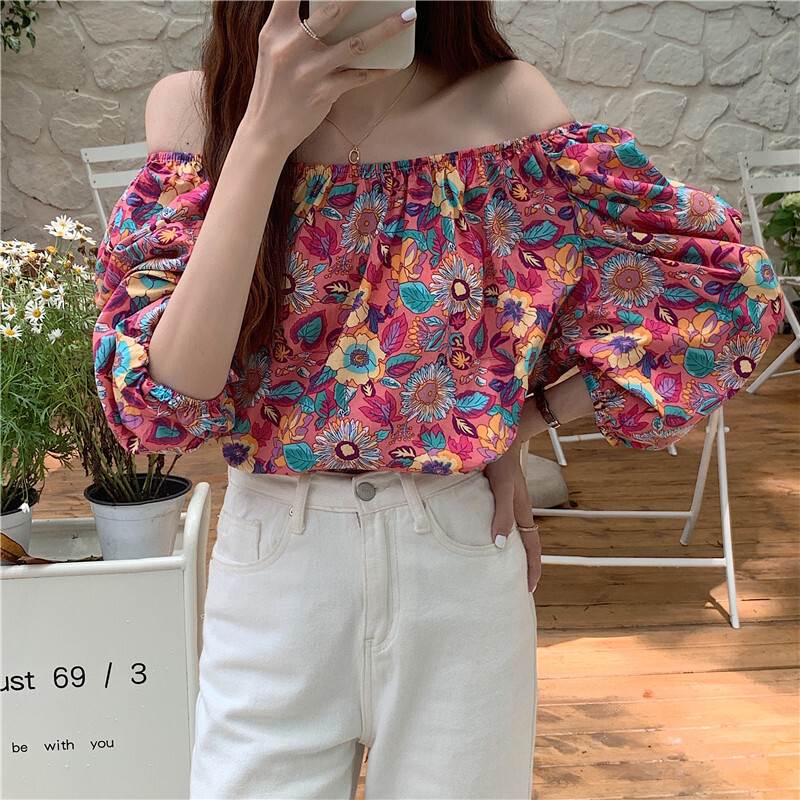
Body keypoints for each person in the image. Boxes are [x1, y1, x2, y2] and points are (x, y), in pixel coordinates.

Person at [91, 2, 785, 798]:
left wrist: (521, 422)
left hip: (455, 550)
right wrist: (262, 136)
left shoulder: (502, 106)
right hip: (276, 564)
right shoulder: (198, 111)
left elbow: (723, 296)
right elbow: (167, 397)